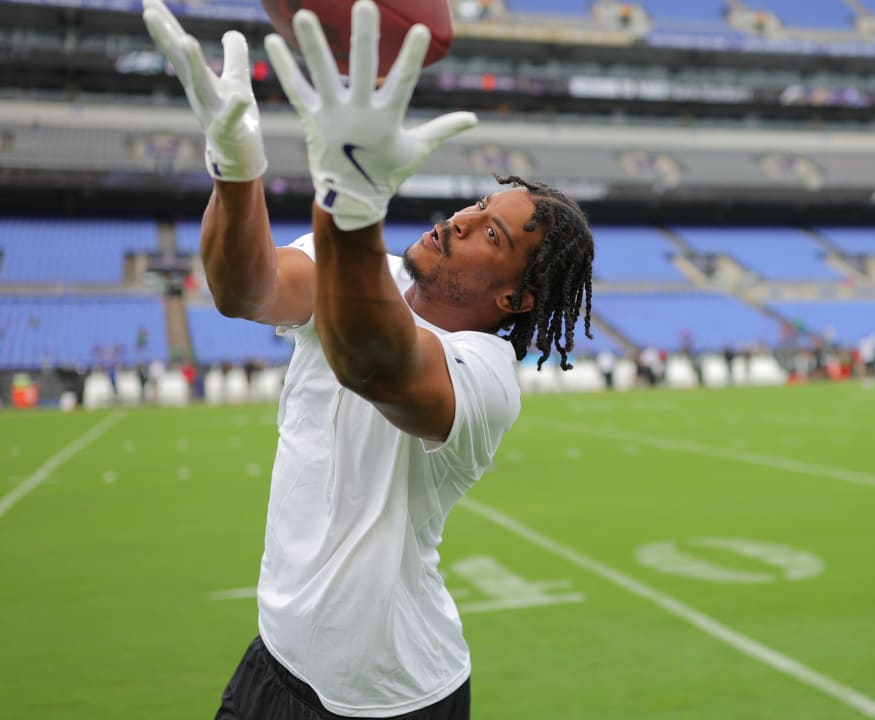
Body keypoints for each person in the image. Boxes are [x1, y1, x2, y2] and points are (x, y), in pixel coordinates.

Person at [142, 2, 594, 718]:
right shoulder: (358, 263)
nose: (461, 219)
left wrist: (349, 195)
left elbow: (371, 359)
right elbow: (244, 288)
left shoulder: (485, 376)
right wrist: (235, 165)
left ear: (515, 299)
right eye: (479, 204)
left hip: (390, 699)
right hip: (275, 657)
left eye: (492, 237)